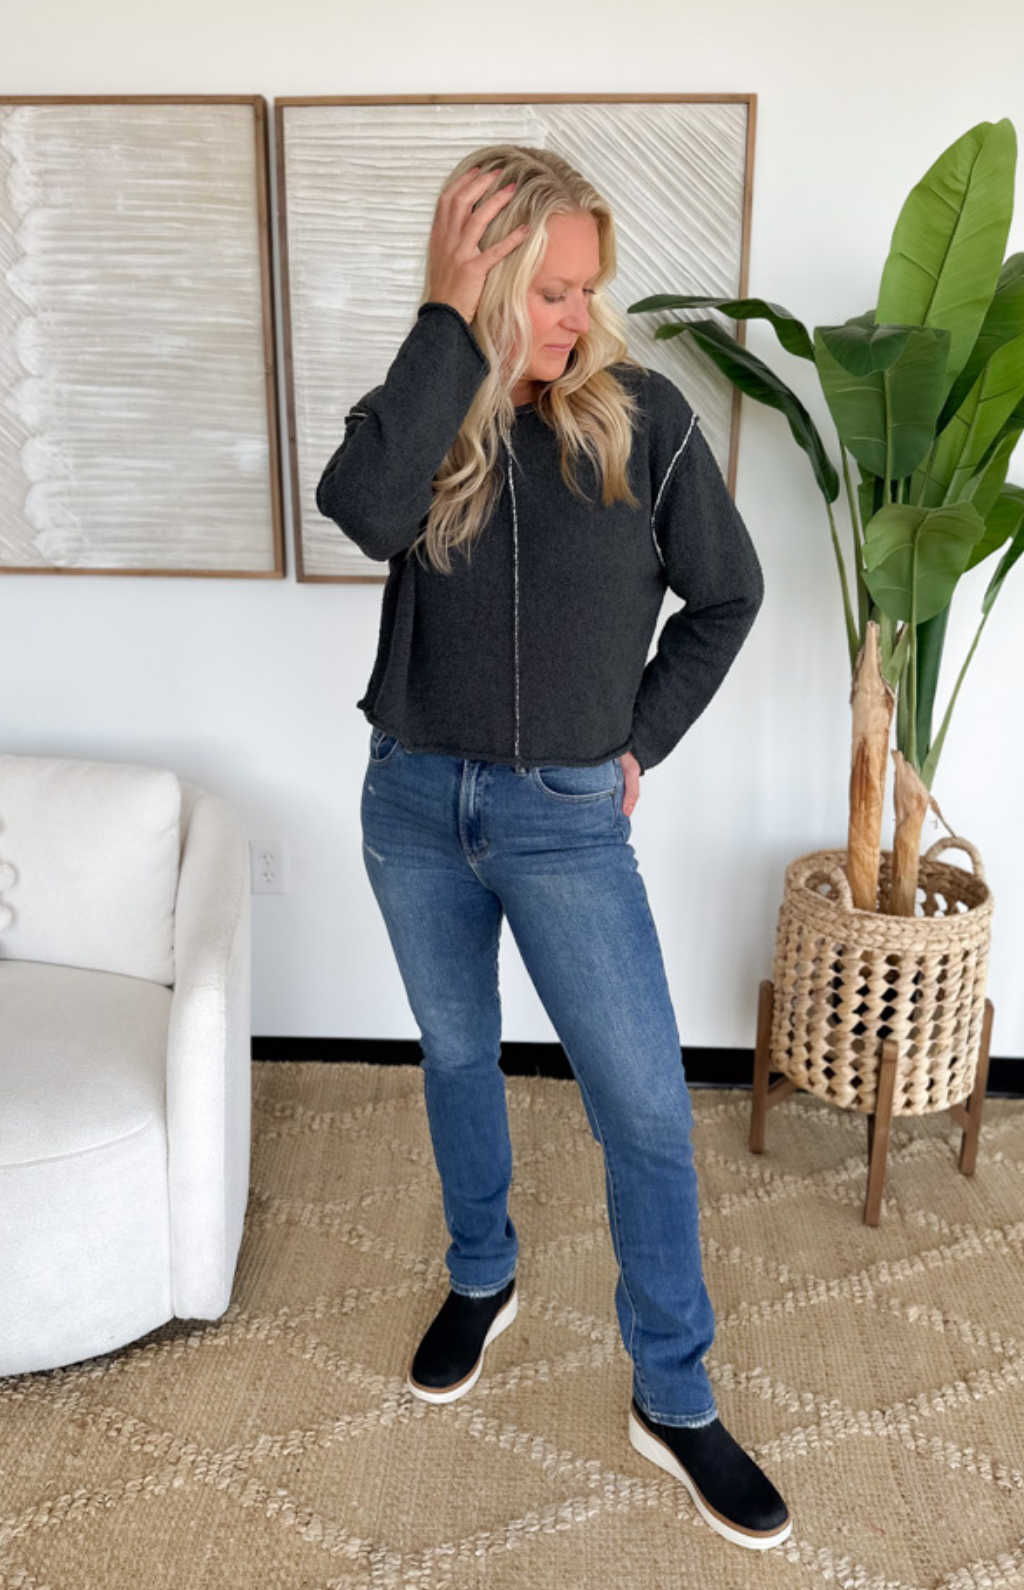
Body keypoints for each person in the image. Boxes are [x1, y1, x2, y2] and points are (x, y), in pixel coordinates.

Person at [317, 146, 791, 1553]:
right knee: (458, 1055)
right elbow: (362, 512)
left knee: (643, 1108)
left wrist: (637, 740)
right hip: (412, 801)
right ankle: (483, 1272)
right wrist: (444, 326)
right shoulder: (426, 411)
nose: (577, 316)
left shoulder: (643, 421)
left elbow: (728, 595)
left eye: (587, 286)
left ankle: (675, 1393)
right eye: (547, 287)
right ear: (485, 281)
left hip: (567, 820)